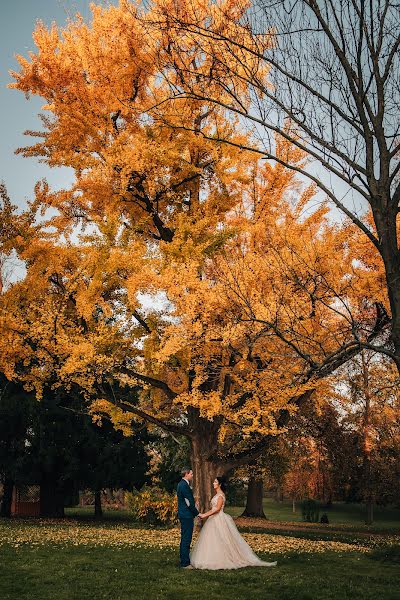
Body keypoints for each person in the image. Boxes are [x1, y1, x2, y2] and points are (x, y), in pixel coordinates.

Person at [190, 476, 277, 570]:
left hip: (219, 519)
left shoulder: (220, 495)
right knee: (213, 539)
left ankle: (223, 559)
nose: (213, 483)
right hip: (213, 519)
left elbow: (217, 509)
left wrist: (204, 515)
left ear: (220, 484)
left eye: (215, 482)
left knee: (222, 539)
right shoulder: (216, 495)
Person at [176, 466, 199, 568]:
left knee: (185, 538)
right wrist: (197, 513)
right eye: (191, 474)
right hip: (186, 515)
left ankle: (184, 560)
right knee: (186, 539)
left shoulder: (182, 484)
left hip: (184, 514)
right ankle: (185, 563)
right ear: (186, 474)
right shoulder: (184, 485)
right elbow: (189, 503)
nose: (192, 475)